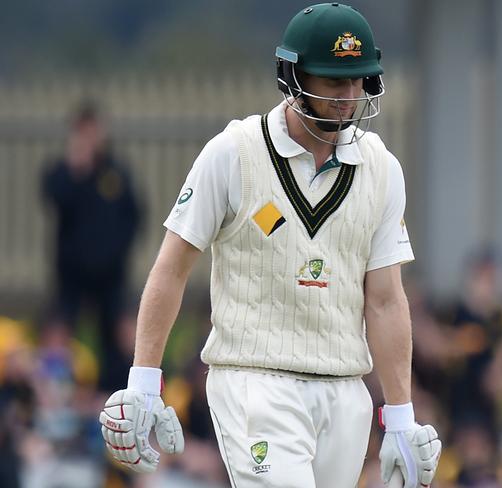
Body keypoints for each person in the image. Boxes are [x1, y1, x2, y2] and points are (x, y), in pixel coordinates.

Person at [99, 4, 441, 488]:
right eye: (333, 81)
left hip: (345, 391)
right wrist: (144, 384)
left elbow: (385, 300)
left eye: (358, 81)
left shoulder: (382, 169)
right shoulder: (234, 153)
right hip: (254, 382)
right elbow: (172, 268)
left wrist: (401, 416)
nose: (348, 97)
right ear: (294, 75)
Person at [42, 102, 141, 392]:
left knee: (114, 336)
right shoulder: (64, 172)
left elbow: (134, 215)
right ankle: (59, 393)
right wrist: (76, 170)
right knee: (62, 332)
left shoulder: (116, 173)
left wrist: (117, 251)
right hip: (71, 273)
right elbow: (55, 198)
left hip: (110, 274)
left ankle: (111, 394)